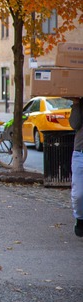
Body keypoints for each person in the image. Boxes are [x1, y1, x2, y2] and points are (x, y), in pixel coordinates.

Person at [69, 97, 83, 237]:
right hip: (80, 153)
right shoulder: (80, 102)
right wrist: (76, 104)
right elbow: (74, 124)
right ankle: (80, 218)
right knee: (79, 195)